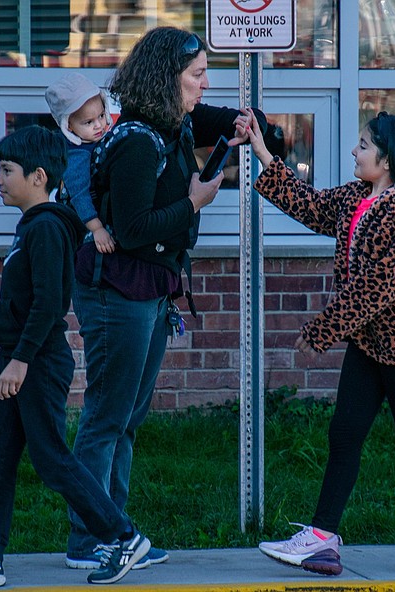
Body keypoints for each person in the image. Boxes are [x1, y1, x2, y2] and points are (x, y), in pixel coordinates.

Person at [66, 26, 267, 570]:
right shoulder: (135, 139)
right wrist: (195, 201)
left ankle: (115, 533)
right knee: (108, 417)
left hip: (152, 288)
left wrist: (249, 124)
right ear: (166, 77)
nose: (204, 85)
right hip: (118, 290)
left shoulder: (175, 119)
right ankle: (88, 542)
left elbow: (232, 120)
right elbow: (130, 230)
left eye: (206, 74)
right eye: (197, 75)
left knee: (128, 417)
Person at [245, 110, 395, 577]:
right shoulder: (359, 197)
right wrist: (264, 153)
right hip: (369, 344)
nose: (355, 151)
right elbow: (309, 206)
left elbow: (377, 287)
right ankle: (323, 539)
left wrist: (322, 330)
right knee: (344, 433)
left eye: (364, 146)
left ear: (388, 159)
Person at [0, 125, 150, 589]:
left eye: (6, 170)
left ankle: (124, 536)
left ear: (37, 176)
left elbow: (50, 303)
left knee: (51, 459)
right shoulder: (34, 225)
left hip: (36, 361)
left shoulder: (48, 227)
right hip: (21, 357)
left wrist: (20, 359)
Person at [45, 72, 116, 255]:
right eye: (88, 122)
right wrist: (97, 229)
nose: (99, 125)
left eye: (101, 116)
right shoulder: (76, 156)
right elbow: (80, 196)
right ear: (68, 125)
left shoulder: (92, 141)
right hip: (82, 226)